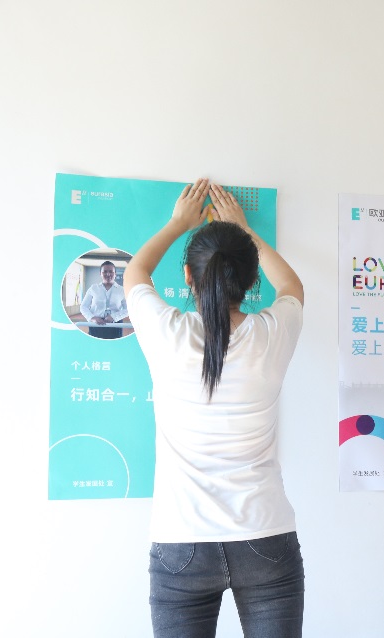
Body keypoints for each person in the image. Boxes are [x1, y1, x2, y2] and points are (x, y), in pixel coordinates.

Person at [123, 179, 306, 638]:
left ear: (188, 276)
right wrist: (245, 230)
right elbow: (292, 285)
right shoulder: (270, 335)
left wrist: (177, 223)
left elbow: (135, 273)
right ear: (251, 280)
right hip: (264, 536)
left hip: (181, 543)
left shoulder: (168, 335)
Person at [80, 260, 129, 338]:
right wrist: (92, 318)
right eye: (105, 272)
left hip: (115, 325)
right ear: (100, 274)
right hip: (96, 324)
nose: (108, 274)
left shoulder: (122, 290)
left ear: (115, 274)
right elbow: (83, 307)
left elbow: (128, 309)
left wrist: (114, 317)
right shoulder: (93, 288)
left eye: (111, 272)